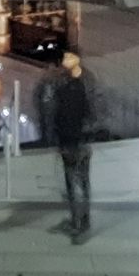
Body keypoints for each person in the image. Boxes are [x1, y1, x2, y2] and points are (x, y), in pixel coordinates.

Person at [43, 51, 93, 243]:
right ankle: (80, 219)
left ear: (76, 60)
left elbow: (89, 111)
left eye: (68, 57)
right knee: (76, 183)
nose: (64, 61)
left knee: (77, 183)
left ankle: (80, 224)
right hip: (72, 139)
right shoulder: (67, 81)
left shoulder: (80, 83)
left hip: (76, 140)